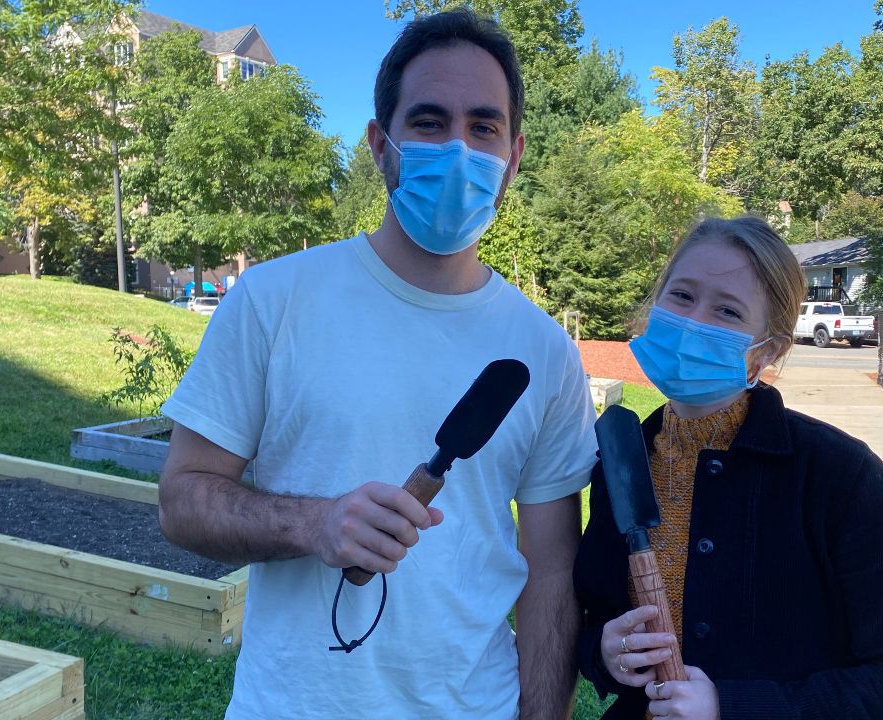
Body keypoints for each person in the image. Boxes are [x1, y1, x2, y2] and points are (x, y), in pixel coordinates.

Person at [157, 10, 596, 720]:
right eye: (428, 122)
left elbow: (551, 578)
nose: (458, 148)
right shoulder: (274, 300)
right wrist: (315, 524)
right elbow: (183, 499)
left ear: (513, 156)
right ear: (379, 146)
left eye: (482, 127)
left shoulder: (544, 352)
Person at [573, 216, 883, 719]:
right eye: (682, 296)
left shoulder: (839, 477)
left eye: (728, 311)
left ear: (768, 350)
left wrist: (732, 707)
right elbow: (596, 618)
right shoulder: (623, 461)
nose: (695, 323)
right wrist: (606, 653)